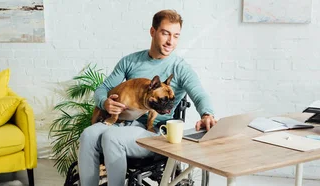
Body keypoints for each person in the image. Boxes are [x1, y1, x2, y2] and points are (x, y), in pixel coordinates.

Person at [77, 9, 218, 186]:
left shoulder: (180, 67)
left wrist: (207, 114)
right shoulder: (130, 61)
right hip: (123, 122)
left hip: (154, 130)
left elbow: (199, 93)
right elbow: (102, 88)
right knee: (88, 134)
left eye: (176, 36)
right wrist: (104, 102)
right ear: (153, 32)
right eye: (165, 33)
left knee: (111, 137)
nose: (170, 41)